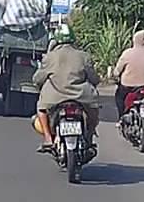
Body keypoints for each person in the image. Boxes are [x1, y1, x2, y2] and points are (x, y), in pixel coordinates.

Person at [32, 24, 101, 153]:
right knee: (94, 111)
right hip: (82, 96)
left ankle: (48, 139)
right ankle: (89, 137)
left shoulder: (50, 57)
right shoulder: (83, 56)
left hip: (54, 98)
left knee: (41, 109)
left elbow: (38, 79)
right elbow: (93, 78)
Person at [113, 30, 144, 124]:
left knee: (119, 97)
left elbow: (117, 70)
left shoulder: (127, 53)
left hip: (129, 86)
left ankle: (122, 118)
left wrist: (115, 75)